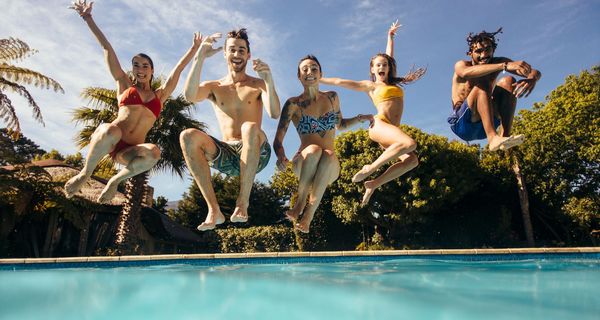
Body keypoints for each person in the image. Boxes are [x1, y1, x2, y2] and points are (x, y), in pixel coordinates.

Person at [65, 0, 203, 203]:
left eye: (145, 65)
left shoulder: (160, 95)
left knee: (154, 152)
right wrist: (88, 18)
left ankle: (114, 182)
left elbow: (178, 69)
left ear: (152, 70)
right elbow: (107, 48)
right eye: (136, 65)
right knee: (109, 129)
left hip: (129, 152)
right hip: (111, 140)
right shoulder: (124, 85)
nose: (140, 68)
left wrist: (194, 49)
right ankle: (85, 173)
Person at [181, 28, 281, 231]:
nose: (237, 54)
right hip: (226, 155)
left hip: (256, 151)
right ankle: (213, 210)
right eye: (232, 50)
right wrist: (200, 56)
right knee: (187, 136)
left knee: (249, 127)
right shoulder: (215, 86)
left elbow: (274, 113)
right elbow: (189, 95)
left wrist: (269, 80)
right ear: (225, 53)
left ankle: (243, 202)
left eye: (242, 50)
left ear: (248, 55)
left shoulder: (257, 84)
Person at [320, 20, 425, 207]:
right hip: (379, 125)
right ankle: (370, 168)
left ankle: (373, 184)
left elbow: (389, 56)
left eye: (384, 65)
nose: (381, 67)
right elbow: (339, 81)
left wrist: (390, 37)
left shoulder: (391, 83)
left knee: (412, 161)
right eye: (377, 65)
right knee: (409, 143)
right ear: (372, 69)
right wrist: (319, 79)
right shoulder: (370, 86)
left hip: (392, 130)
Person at [274, 55, 373, 233]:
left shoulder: (332, 98)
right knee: (313, 149)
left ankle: (308, 215)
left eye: (314, 68)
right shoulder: (293, 104)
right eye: (304, 69)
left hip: (329, 166)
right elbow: (278, 140)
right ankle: (300, 202)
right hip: (304, 163)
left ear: (321, 74)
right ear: (299, 76)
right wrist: (281, 156)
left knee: (327, 153)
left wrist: (360, 118)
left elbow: (340, 125)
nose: (309, 72)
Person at [449, 27, 541, 151]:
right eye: (479, 51)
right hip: (463, 124)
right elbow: (465, 73)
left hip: (486, 123)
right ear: (470, 53)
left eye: (488, 49)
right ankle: (493, 137)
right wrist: (503, 66)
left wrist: (532, 79)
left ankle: (505, 137)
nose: (484, 55)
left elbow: (533, 71)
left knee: (508, 81)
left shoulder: (498, 61)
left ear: (493, 50)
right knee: (483, 83)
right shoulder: (462, 64)